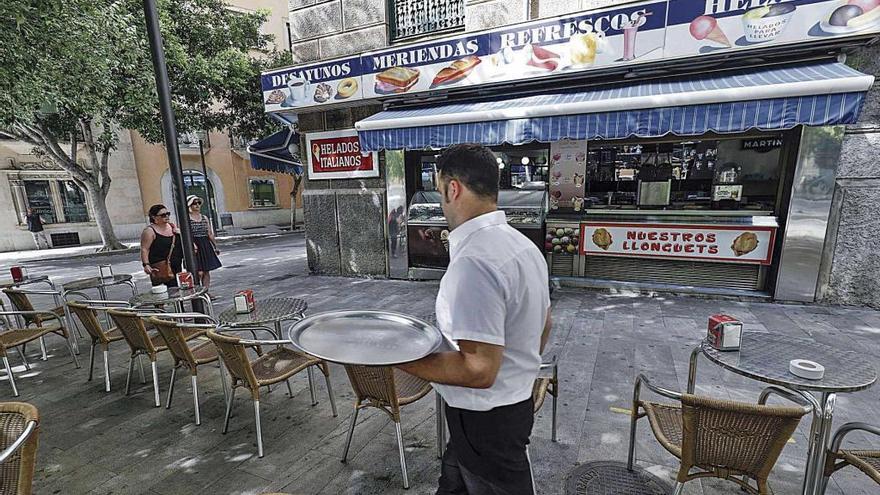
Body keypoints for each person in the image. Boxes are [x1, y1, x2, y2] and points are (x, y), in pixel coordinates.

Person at [398, 144, 551, 495]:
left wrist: (399, 357)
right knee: (452, 484)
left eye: (440, 192)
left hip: (486, 421)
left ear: (453, 188)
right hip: (509, 407)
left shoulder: (475, 261)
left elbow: (479, 370)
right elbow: (545, 325)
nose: (441, 202)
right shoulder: (523, 245)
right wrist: (518, 370)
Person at [140, 204, 184, 287]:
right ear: (154, 217)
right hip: (160, 267)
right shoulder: (149, 231)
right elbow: (144, 249)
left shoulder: (172, 226)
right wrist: (146, 264)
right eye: (163, 215)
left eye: (168, 214)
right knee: (163, 291)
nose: (167, 216)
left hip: (176, 265)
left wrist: (179, 233)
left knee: (177, 289)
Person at [186, 195, 222, 291]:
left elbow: (209, 233)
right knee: (199, 272)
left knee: (206, 271)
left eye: (198, 203)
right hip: (194, 245)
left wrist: (215, 246)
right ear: (189, 205)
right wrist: (191, 244)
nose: (197, 205)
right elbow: (185, 234)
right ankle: (197, 291)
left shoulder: (204, 218)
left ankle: (206, 291)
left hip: (205, 244)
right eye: (194, 203)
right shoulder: (187, 219)